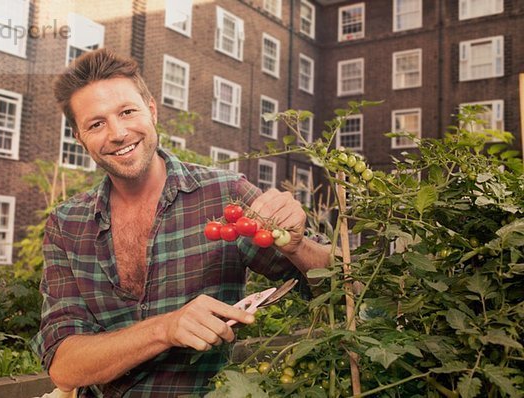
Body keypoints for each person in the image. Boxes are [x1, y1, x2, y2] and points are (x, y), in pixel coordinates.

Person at [31, 48, 335, 397]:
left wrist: (299, 247)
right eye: (96, 124)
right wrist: (166, 328)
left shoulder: (225, 196)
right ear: (80, 138)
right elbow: (64, 365)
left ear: (152, 111)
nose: (117, 133)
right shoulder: (67, 224)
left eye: (127, 111)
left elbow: (338, 288)